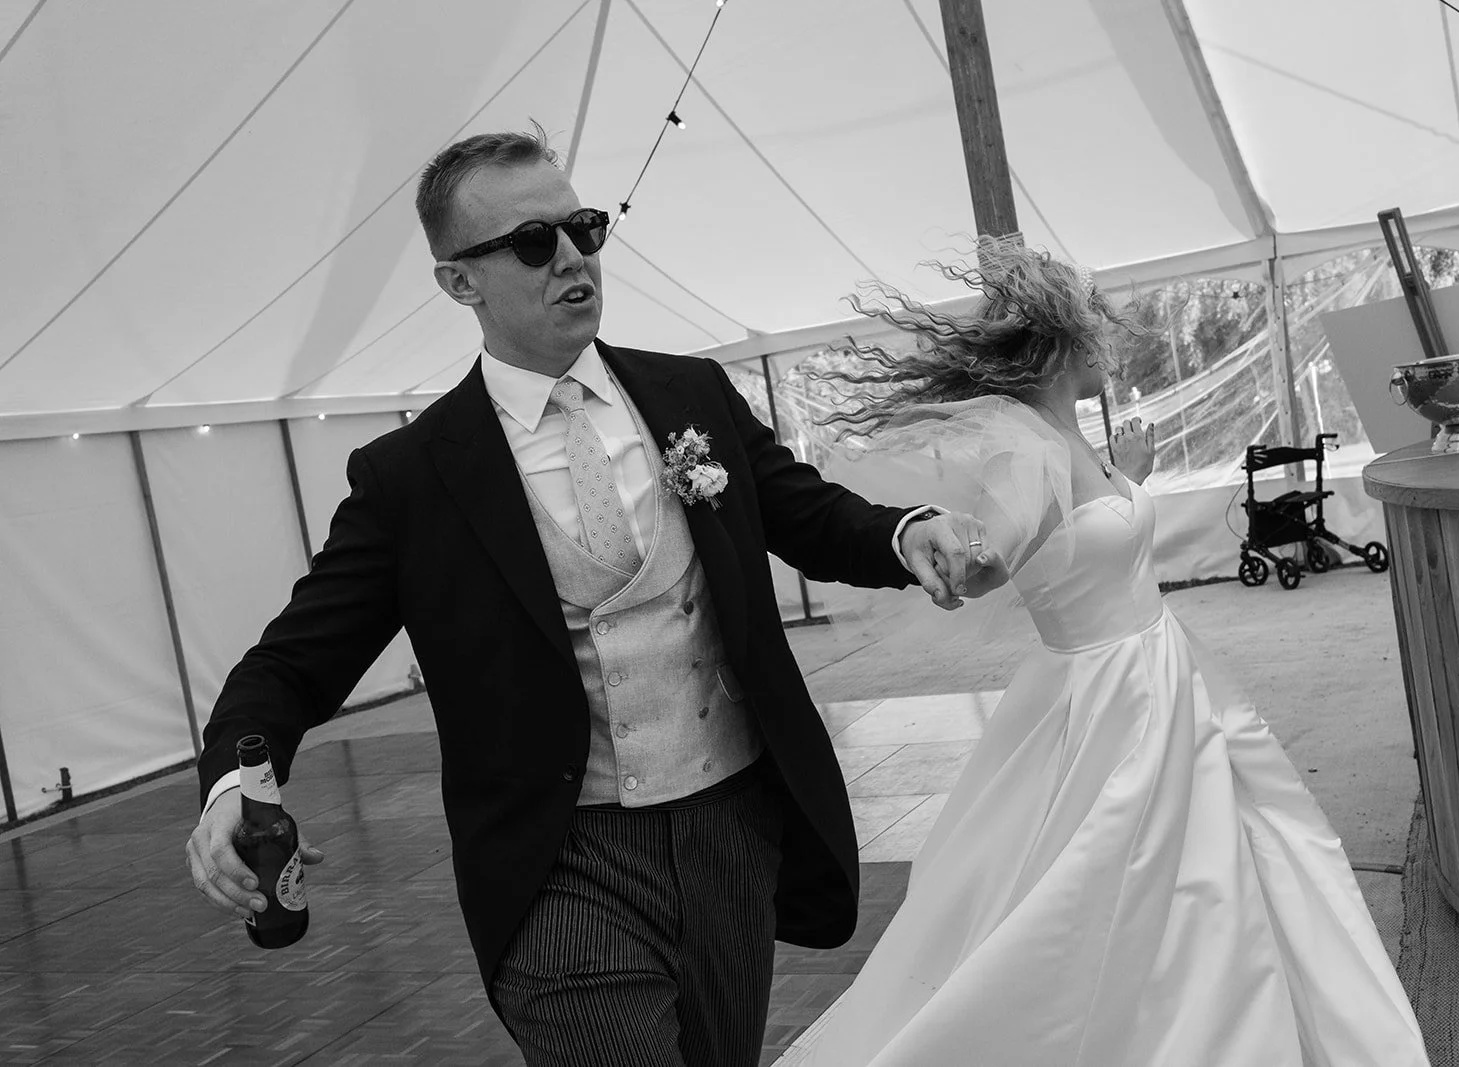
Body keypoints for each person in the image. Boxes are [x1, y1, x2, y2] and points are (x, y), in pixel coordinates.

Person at [184, 127, 999, 1066]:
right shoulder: (412, 477)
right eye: (534, 242)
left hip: (729, 827)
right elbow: (293, 660)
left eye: (582, 227)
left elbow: (804, 510)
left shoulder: (688, 392)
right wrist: (224, 791)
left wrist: (906, 531)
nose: (573, 255)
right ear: (460, 282)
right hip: (558, 862)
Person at [785, 239, 1431, 1066]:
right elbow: (1002, 556)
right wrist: (959, 555)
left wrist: (1127, 477)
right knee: (1122, 868)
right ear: (1059, 347)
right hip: (1112, 689)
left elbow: (1086, 527)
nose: (1109, 347)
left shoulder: (1069, 438)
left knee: (1212, 854)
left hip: (1159, 668)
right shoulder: (1024, 449)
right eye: (1095, 331)